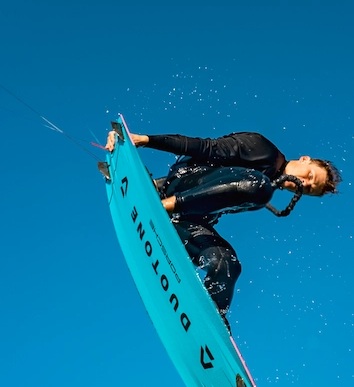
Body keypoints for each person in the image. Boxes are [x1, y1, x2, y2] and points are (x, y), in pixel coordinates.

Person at [106, 129, 340, 325]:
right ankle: (161, 203)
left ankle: (208, 320)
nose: (305, 183)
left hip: (186, 219)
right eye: (310, 176)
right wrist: (145, 140)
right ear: (305, 159)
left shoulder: (264, 191)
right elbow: (204, 147)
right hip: (178, 187)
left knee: (227, 265)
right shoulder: (261, 149)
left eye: (309, 189)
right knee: (260, 187)